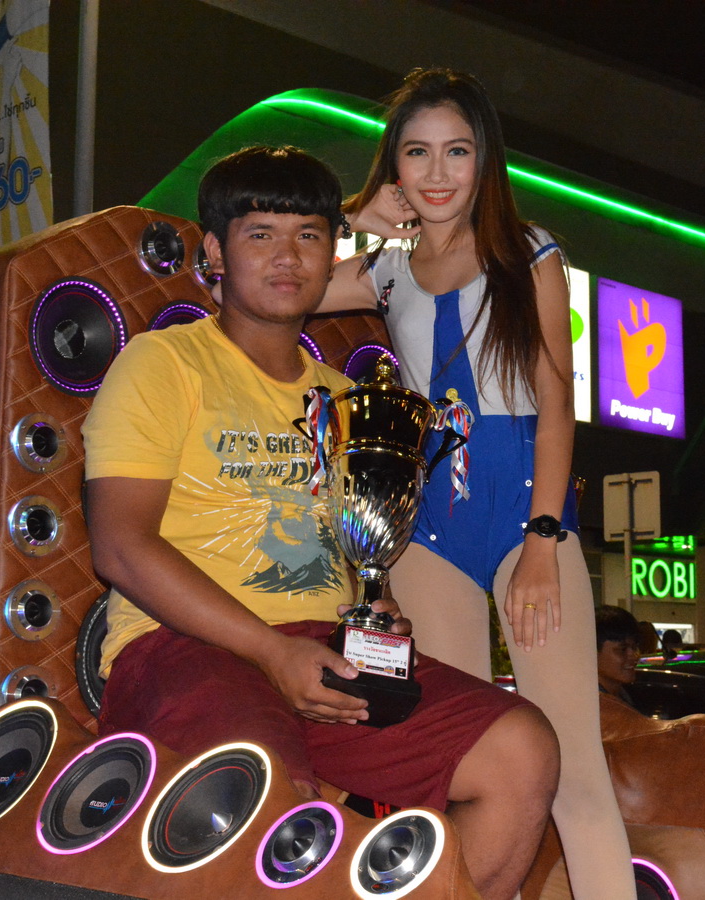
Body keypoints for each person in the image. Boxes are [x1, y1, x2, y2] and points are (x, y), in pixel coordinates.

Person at [81, 145, 559, 900]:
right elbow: (119, 545)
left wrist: (381, 609)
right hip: (182, 646)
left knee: (521, 750)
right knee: (267, 787)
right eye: (260, 234)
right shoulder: (162, 363)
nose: (288, 256)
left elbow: (355, 548)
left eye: (309, 235)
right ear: (214, 252)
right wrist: (272, 652)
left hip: (320, 650)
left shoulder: (346, 400)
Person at [320, 68, 635, 900]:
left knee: (571, 768)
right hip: (428, 527)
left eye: (456, 151)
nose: (436, 173)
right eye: (416, 153)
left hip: (526, 515)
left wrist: (543, 540)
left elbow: (556, 403)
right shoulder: (385, 269)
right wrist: (350, 218)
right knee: (458, 765)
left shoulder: (528, 252)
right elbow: (279, 280)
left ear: (484, 159)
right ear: (392, 164)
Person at [596, 605, 641, 707]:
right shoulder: (588, 705)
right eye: (622, 649)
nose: (634, 656)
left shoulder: (622, 695)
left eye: (634, 647)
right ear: (594, 653)